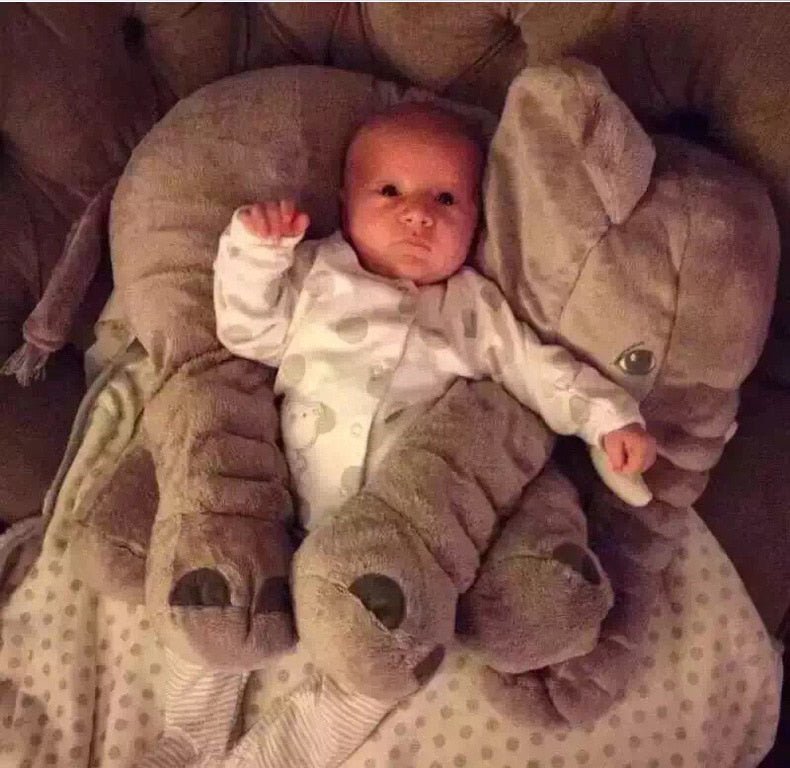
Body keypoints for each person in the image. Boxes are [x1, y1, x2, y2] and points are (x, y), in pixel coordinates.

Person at [213, 102, 656, 529]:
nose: (419, 214)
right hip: (298, 513)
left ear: (475, 221)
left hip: (422, 523)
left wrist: (608, 420)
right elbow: (246, 331)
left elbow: (539, 371)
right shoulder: (316, 273)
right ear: (345, 202)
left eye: (445, 199)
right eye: (390, 191)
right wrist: (255, 251)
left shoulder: (473, 308)